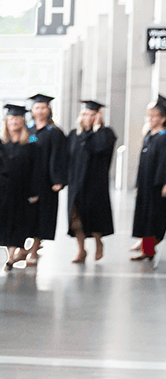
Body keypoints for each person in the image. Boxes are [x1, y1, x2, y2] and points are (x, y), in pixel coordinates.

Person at [68, 101, 117, 262]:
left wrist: (97, 128)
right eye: (86, 114)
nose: (88, 117)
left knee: (95, 216)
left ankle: (98, 243)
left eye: (92, 115)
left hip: (95, 184)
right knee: (76, 220)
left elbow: (99, 147)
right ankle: (81, 250)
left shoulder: (105, 133)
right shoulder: (75, 134)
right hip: (76, 183)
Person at [0, 106, 42, 267]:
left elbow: (37, 168)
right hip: (3, 189)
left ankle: (13, 256)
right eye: (11, 119)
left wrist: (34, 190)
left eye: (17, 119)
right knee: (4, 222)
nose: (13, 122)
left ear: (23, 121)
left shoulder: (31, 142)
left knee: (19, 223)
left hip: (23, 189)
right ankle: (10, 255)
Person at [27, 93, 67, 264]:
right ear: (32, 110)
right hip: (27, 179)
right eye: (37, 107)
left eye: (43, 107)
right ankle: (25, 247)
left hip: (45, 180)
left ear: (49, 109)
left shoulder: (54, 132)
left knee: (41, 215)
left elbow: (58, 157)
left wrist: (58, 179)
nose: (40, 110)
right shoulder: (27, 129)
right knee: (26, 215)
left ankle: (35, 249)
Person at [133, 98, 166, 261]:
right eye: (149, 116)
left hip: (157, 184)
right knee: (145, 216)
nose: (150, 119)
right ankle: (147, 250)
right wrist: (138, 183)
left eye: (154, 116)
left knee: (155, 217)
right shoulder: (149, 136)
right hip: (145, 182)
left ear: (163, 118)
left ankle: (150, 248)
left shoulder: (163, 137)